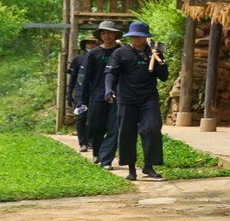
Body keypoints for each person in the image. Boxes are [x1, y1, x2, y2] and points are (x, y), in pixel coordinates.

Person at [103, 20, 171, 181]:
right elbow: (111, 74)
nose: (136, 39)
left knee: (152, 128)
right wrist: (108, 89)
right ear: (129, 37)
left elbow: (164, 77)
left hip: (149, 98)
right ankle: (131, 168)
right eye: (133, 36)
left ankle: (149, 166)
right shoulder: (120, 53)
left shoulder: (154, 53)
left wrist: (160, 61)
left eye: (140, 36)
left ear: (146, 37)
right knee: (127, 133)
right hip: (127, 98)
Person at [75, 22, 121, 163]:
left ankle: (106, 159)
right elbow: (85, 77)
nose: (107, 35)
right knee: (95, 127)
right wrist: (81, 99)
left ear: (115, 34)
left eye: (110, 32)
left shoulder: (121, 52)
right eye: (103, 33)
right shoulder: (94, 54)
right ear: (100, 35)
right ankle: (97, 151)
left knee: (114, 128)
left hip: (118, 95)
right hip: (97, 95)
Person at [68, 36, 96, 150]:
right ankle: (83, 142)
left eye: (93, 43)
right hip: (81, 93)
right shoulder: (78, 59)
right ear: (84, 45)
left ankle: (91, 140)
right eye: (88, 43)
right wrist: (69, 93)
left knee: (94, 117)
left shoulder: (99, 58)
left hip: (95, 92)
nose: (90, 45)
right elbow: (73, 78)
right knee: (81, 117)